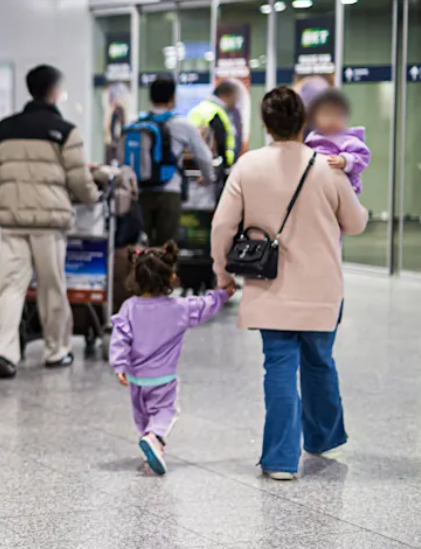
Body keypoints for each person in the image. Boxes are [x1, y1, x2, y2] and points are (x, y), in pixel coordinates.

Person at [211, 87, 368, 481]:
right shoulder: (326, 166)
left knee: (279, 367)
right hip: (323, 290)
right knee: (319, 362)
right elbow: (356, 223)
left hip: (270, 288)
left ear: (266, 125)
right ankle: (322, 438)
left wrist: (223, 274)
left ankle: (281, 460)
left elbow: (222, 227)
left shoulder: (248, 166)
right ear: (304, 123)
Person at [0, 64, 99, 377]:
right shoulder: (66, 131)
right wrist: (92, 197)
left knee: (9, 287)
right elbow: (79, 180)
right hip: (48, 223)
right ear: (54, 91)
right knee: (51, 287)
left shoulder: (5, 128)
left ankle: (4, 351)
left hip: (13, 221)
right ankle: (56, 350)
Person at [109, 242, 231, 475]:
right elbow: (205, 305)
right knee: (166, 411)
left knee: (143, 417)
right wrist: (223, 294)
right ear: (171, 277)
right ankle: (154, 439)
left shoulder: (129, 307)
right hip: (163, 379)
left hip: (136, 380)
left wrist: (119, 364)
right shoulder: (179, 308)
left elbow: (120, 337)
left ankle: (152, 443)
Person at [139, 78, 216, 246]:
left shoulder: (138, 124)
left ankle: (142, 272)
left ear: (150, 98)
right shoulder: (181, 124)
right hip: (169, 192)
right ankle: (164, 272)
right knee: (166, 248)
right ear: (173, 98)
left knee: (142, 247)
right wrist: (208, 178)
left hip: (141, 192)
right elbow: (204, 156)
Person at [305, 89, 370, 195]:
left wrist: (344, 160)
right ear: (313, 118)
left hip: (343, 190)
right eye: (327, 114)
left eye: (338, 115)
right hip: (318, 188)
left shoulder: (348, 139)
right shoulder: (312, 139)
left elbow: (363, 156)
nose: (332, 119)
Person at [188, 81, 240, 169]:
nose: (235, 103)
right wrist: (225, 164)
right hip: (213, 165)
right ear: (227, 95)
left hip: (192, 163)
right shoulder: (215, 112)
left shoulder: (198, 109)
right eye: (235, 98)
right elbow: (220, 141)